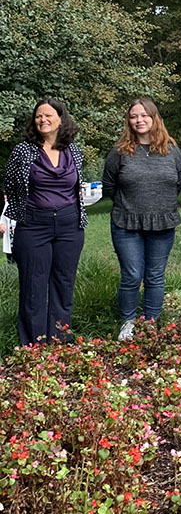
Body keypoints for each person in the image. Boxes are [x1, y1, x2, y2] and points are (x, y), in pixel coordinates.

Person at [3, 99, 87, 345]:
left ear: (61, 119)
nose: (43, 120)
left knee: (64, 284)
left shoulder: (74, 151)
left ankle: (59, 343)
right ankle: (33, 348)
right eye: (38, 116)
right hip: (33, 225)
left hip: (69, 225)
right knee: (33, 287)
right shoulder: (23, 151)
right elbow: (10, 184)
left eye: (48, 115)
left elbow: (76, 187)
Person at [103, 98, 181, 340]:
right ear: (128, 121)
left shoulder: (172, 150)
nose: (139, 120)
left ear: (154, 118)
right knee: (131, 275)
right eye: (133, 116)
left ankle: (150, 324)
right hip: (126, 223)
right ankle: (128, 323)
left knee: (155, 276)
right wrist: (128, 203)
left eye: (144, 115)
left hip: (162, 223)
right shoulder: (119, 152)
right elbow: (109, 184)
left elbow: (179, 182)